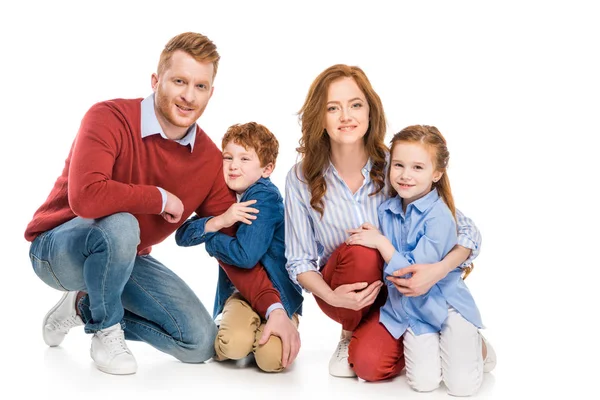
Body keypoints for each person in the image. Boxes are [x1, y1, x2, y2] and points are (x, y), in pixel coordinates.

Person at [24, 32, 298, 375]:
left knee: (199, 343)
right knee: (123, 223)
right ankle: (104, 330)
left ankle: (83, 307)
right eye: (179, 81)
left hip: (125, 259)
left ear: (211, 93)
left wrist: (274, 309)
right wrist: (158, 197)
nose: (188, 95)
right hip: (56, 250)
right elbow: (86, 197)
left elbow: (231, 244)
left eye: (200, 86)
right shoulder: (108, 117)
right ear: (156, 81)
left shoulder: (209, 160)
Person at [284, 64, 494, 381]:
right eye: (332, 107)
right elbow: (299, 260)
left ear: (370, 112)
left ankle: (453, 341)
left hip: (400, 291)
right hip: (340, 291)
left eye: (355, 105)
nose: (346, 116)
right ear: (320, 117)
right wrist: (331, 297)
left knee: (370, 366)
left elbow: (462, 228)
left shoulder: (395, 166)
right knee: (361, 252)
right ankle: (349, 332)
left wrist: (436, 271)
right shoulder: (300, 177)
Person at [346, 125, 492, 395]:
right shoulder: (386, 210)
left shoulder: (439, 215)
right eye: (399, 165)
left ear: (436, 174)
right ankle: (447, 346)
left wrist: (381, 242)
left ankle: (478, 348)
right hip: (410, 310)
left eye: (417, 168)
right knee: (423, 383)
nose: (405, 175)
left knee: (461, 386)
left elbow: (413, 277)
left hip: (445, 303)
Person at [175, 122, 303, 372]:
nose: (234, 166)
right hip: (241, 294)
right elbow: (181, 236)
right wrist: (221, 220)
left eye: (245, 159)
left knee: (270, 360)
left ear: (267, 169)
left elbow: (246, 257)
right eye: (228, 157)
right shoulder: (225, 197)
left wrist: (211, 240)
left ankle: (276, 326)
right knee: (231, 347)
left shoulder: (263, 197)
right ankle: (244, 329)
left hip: (278, 294)